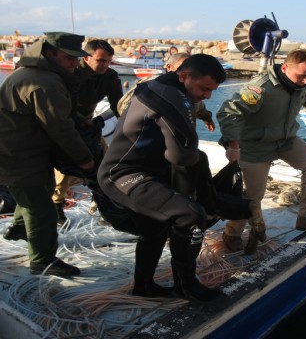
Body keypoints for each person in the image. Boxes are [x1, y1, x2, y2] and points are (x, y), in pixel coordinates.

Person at [98, 54, 229, 302]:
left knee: (155, 228)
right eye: (204, 89)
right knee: (190, 214)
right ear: (184, 76)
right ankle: (186, 286)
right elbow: (181, 156)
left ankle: (144, 286)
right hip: (123, 174)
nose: (208, 96)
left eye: (212, 90)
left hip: (138, 171)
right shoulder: (173, 100)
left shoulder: (162, 84)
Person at [0, 32, 94, 277]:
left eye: (77, 58)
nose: (74, 63)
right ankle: (42, 260)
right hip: (15, 155)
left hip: (25, 150)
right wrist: (85, 160)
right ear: (49, 54)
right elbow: (60, 127)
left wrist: (79, 120)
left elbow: (53, 112)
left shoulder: (39, 75)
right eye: (68, 58)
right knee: (42, 209)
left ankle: (20, 230)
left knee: (40, 190)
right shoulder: (45, 81)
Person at [216, 49, 306, 253]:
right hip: (254, 146)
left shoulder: (299, 85)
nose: (305, 81)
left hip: (285, 140)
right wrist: (233, 146)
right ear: (285, 68)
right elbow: (228, 112)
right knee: (252, 196)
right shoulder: (260, 88)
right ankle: (232, 232)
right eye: (301, 76)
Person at [52, 39, 123, 222]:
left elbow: (118, 105)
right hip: (66, 124)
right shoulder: (71, 74)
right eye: (101, 60)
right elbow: (59, 105)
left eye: (108, 61)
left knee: (107, 164)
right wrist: (80, 120)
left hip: (89, 125)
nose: (105, 65)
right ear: (87, 57)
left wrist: (104, 120)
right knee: (64, 171)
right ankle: (57, 205)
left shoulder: (110, 76)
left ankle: (102, 203)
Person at [117, 52, 216, 132]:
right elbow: (123, 106)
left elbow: (198, 106)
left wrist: (208, 119)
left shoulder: (189, 88)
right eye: (182, 66)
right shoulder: (151, 84)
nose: (186, 71)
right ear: (169, 67)